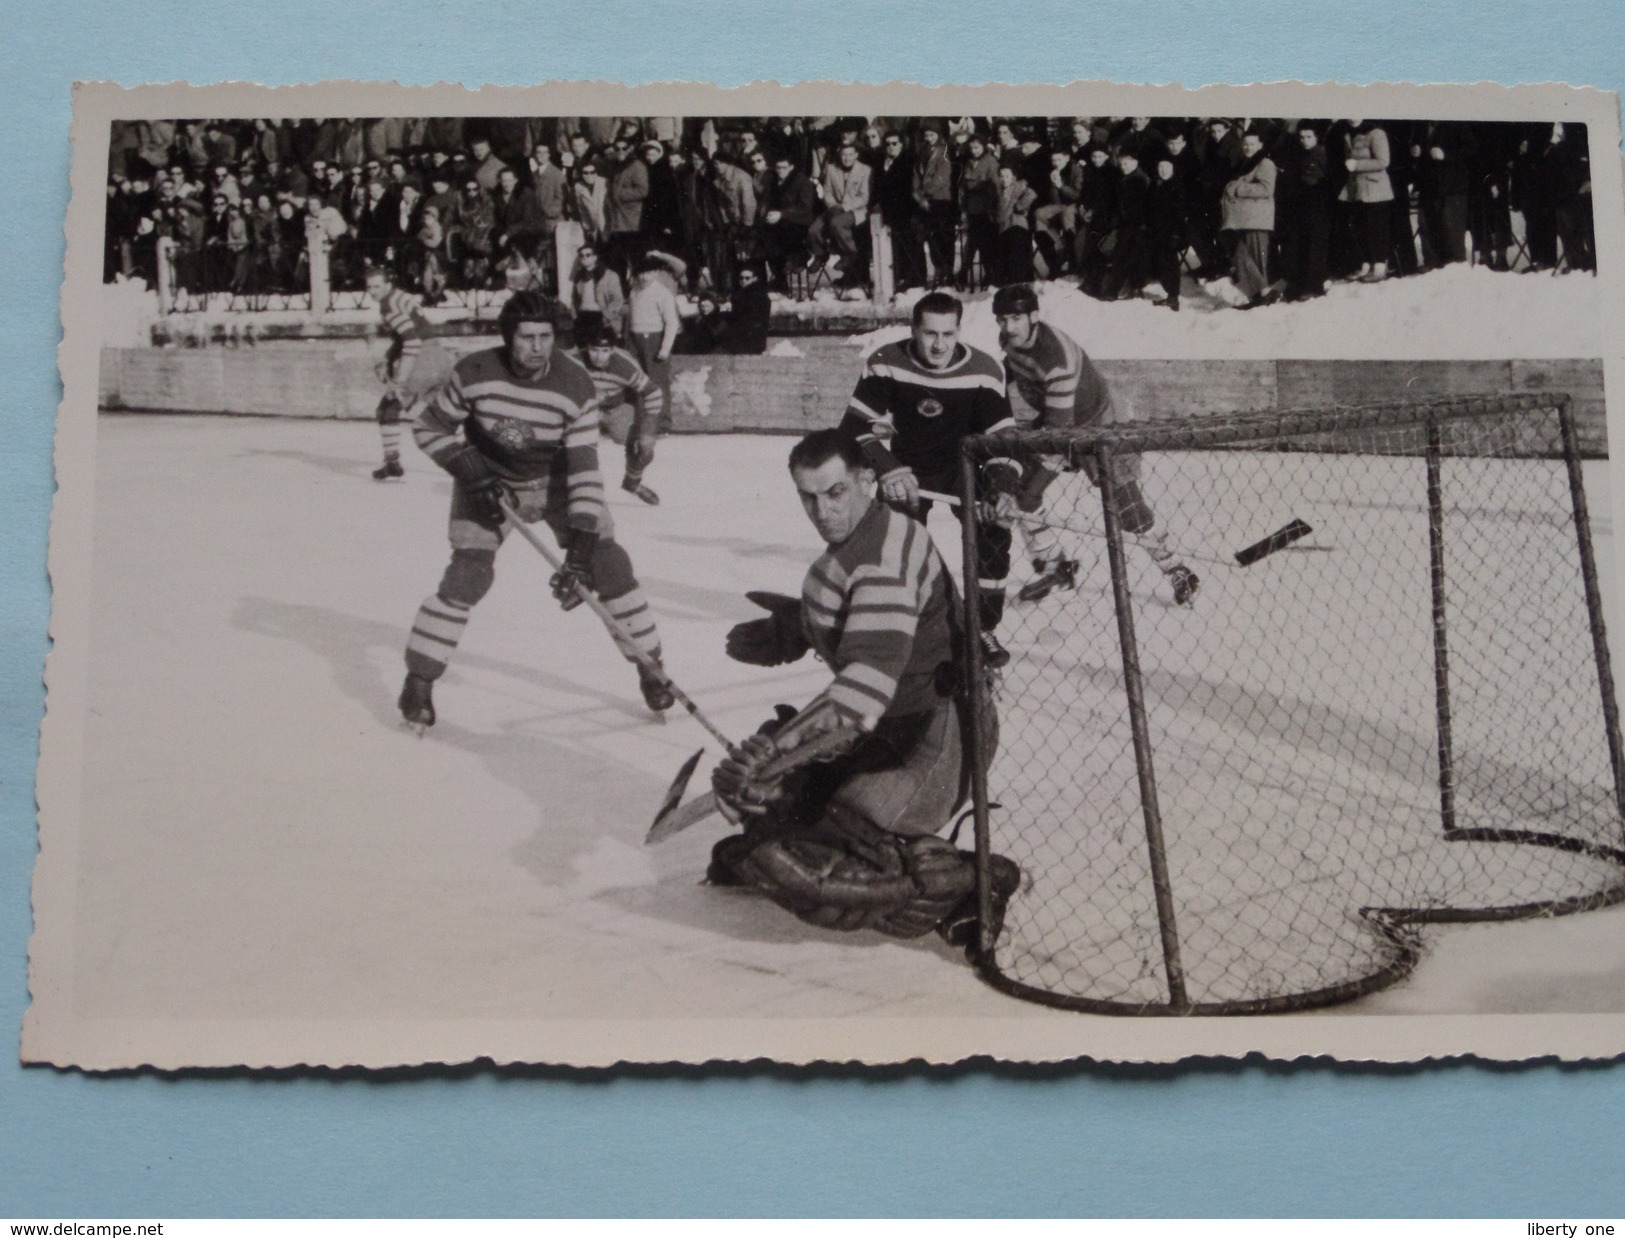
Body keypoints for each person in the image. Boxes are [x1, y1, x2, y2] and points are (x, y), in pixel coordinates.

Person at [708, 428, 1020, 952]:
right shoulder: (858, 544)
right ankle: (797, 830)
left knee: (840, 844)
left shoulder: (883, 558)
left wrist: (775, 754)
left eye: (835, 493)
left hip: (940, 733)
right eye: (808, 496)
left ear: (867, 481)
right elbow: (870, 631)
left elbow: (865, 687)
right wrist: (800, 626)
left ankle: (973, 884)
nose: (823, 511)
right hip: (892, 726)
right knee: (781, 808)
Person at [397, 291, 673, 729]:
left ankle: (650, 667)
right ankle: (418, 682)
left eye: (545, 337)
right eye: (527, 338)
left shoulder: (576, 383)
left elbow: (584, 468)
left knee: (610, 565)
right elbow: (429, 426)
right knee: (469, 573)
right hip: (487, 482)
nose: (538, 348)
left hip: (558, 480)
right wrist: (470, 470)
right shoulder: (474, 372)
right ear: (509, 337)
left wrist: (580, 551)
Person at [836, 291, 1021, 668]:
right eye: (930, 334)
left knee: (995, 530)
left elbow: (1006, 441)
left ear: (958, 331)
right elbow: (853, 427)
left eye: (948, 334)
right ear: (914, 330)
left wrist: (1001, 489)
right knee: (894, 546)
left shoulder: (985, 370)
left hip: (965, 468)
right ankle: (905, 628)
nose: (939, 345)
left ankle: (980, 627)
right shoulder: (887, 361)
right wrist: (886, 467)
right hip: (909, 469)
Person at [991, 282, 1199, 608]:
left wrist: (1034, 447)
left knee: (1126, 505)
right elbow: (1018, 377)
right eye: (1001, 320)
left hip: (1098, 421)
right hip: (1058, 416)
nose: (1007, 327)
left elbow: (1059, 434)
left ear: (1033, 316)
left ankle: (1177, 569)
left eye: (1015, 319)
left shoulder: (1055, 359)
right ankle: (1056, 566)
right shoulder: (1011, 340)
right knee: (1024, 494)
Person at [362, 264, 445, 480]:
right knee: (421, 408)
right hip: (438, 355)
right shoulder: (400, 297)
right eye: (369, 287)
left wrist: (399, 381)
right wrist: (388, 360)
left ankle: (392, 463)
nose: (373, 291)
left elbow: (412, 342)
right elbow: (411, 335)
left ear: (388, 285)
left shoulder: (388, 306)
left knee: (389, 408)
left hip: (424, 359)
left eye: (377, 286)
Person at [577, 319, 665, 505]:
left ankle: (632, 483)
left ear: (612, 350)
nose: (599, 357)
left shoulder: (625, 366)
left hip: (617, 407)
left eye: (605, 351)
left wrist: (647, 431)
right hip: (585, 409)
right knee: (568, 446)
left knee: (644, 449)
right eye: (594, 350)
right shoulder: (574, 362)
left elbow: (653, 393)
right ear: (586, 347)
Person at [1222, 129, 1278, 307]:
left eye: (1252, 144)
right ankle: (1261, 293)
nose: (1248, 147)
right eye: (1245, 144)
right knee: (1244, 256)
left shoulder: (1265, 163)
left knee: (1256, 259)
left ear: (1260, 145)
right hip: (1243, 219)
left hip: (1257, 218)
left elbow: (1266, 189)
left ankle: (1263, 294)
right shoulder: (1245, 163)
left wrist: (1239, 189)